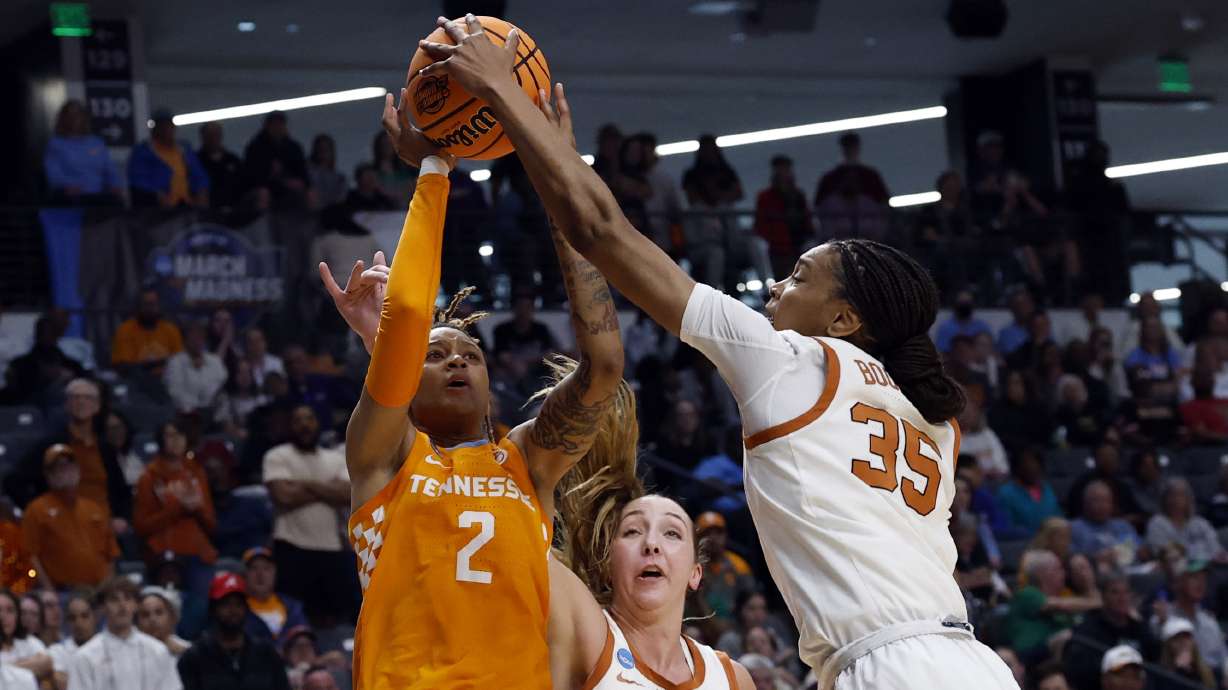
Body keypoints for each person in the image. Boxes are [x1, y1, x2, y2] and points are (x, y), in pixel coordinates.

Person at [416, 20, 1018, 687]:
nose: (777, 287)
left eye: (798, 277)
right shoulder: (939, 425)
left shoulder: (790, 360)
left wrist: (507, 97)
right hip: (972, 661)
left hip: (887, 667)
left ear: (844, 319)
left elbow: (602, 232)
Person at [316, 83, 627, 688]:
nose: (458, 361)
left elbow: (605, 365)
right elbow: (407, 315)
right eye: (437, 356)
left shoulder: (528, 463)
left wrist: (560, 172)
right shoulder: (382, 461)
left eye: (472, 354)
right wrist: (435, 165)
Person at [261, 404, 352, 624]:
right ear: (290, 426)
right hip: (292, 547)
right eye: (298, 420)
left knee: (334, 619)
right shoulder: (277, 456)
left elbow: (349, 494)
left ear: (318, 423)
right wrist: (327, 489)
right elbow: (284, 496)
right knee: (294, 620)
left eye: (309, 419)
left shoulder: (335, 459)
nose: (304, 425)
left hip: (331, 549)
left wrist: (304, 484)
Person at [22, 444, 119, 589]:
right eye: (58, 467)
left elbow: (111, 553)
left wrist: (107, 589)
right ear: (48, 474)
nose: (65, 471)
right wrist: (49, 590)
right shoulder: (36, 510)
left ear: (78, 469)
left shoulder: (94, 508)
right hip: (63, 592)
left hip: (98, 591)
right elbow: (30, 556)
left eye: (69, 465)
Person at [177, 572, 291, 690]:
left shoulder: (266, 654)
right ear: (213, 608)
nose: (233, 611)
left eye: (238, 604)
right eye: (226, 604)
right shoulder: (194, 657)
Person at [69, 575, 182, 690]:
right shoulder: (85, 656)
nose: (122, 605)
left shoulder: (158, 650)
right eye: (114, 600)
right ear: (102, 607)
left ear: (136, 605)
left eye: (128, 598)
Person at [1062, 573, 1158, 690]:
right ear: (1103, 596)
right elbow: (1082, 672)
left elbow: (1155, 664)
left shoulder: (1139, 628)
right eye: (1115, 592)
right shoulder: (1088, 629)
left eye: (1126, 592)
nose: (1122, 598)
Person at [1005, 550, 1097, 663]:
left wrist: (1089, 586)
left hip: (1058, 651)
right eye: (1058, 569)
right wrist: (1098, 604)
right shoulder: (1028, 593)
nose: (1064, 574)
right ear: (1041, 574)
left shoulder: (1065, 596)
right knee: (1068, 637)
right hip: (1030, 654)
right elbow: (1058, 606)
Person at [1150, 560, 1228, 672]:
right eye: (1194, 577)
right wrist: (1163, 623)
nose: (1201, 583)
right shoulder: (1163, 617)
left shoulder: (1209, 620)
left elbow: (1224, 657)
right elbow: (1158, 655)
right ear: (1177, 583)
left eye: (1203, 579)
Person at [43, 99, 124, 205]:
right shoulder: (56, 144)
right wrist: (68, 186)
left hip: (99, 194)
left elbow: (109, 169)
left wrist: (115, 185)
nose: (74, 119)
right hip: (72, 195)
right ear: (63, 119)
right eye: (70, 115)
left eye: (78, 115)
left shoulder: (96, 142)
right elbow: (53, 174)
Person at [128, 110, 209, 208]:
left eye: (168, 125)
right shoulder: (143, 151)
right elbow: (138, 180)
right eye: (162, 126)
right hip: (159, 209)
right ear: (155, 129)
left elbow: (199, 175)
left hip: (187, 205)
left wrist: (201, 191)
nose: (166, 129)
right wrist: (157, 195)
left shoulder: (184, 149)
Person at [754, 155, 814, 280]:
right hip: (777, 247)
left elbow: (806, 220)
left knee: (799, 280)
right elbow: (760, 224)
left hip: (797, 245)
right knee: (782, 281)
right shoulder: (765, 197)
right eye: (780, 169)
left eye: (785, 169)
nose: (783, 173)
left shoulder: (798, 196)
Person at [1145, 478, 1224, 564]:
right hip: (1175, 570)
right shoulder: (1157, 523)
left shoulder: (1200, 523)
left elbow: (1216, 549)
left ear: (1189, 500)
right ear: (1164, 499)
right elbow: (1162, 553)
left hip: (1208, 566)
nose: (1176, 500)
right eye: (1171, 495)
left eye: (1181, 495)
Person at [242, 111, 309, 209]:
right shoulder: (256, 148)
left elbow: (302, 170)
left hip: (287, 186)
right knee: (263, 194)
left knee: (310, 193)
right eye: (275, 125)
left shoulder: (293, 148)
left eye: (280, 124)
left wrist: (304, 184)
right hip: (263, 187)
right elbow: (253, 177)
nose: (278, 128)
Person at [241, 547, 306, 644]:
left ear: (274, 572)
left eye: (266, 568)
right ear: (244, 574)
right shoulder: (238, 610)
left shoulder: (293, 607)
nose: (260, 574)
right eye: (254, 568)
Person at [165, 319, 229, 416]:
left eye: (200, 335)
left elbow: (223, 386)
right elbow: (176, 396)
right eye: (193, 336)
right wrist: (201, 409)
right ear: (185, 339)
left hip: (216, 415)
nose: (197, 340)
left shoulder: (215, 361)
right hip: (187, 417)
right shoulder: (175, 363)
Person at [111, 288, 184, 370]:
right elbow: (124, 366)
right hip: (137, 380)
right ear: (138, 307)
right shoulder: (125, 330)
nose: (150, 308)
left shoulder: (171, 329)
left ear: (159, 306)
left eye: (153, 304)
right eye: (146, 304)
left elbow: (180, 361)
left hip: (168, 379)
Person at [996, 448, 1062, 538]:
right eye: (1027, 463)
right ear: (1017, 467)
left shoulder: (1047, 489)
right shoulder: (1006, 494)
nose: (1033, 466)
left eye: (1036, 463)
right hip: (1024, 544)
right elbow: (1008, 528)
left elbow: (1059, 517)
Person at [0, 590, 53, 685]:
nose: (3, 616)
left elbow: (46, 664)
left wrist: (4, 668)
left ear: (18, 615)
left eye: (10, 610)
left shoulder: (29, 642)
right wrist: (28, 664)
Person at [1153, 618, 1214, 690]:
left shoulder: (1206, 670)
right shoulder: (1159, 673)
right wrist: (1180, 671)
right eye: (1176, 638)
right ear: (1168, 645)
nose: (1182, 642)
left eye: (1186, 637)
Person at [48, 593, 96, 680]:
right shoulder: (57, 651)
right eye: (72, 618)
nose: (78, 623)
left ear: (95, 617)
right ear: (67, 622)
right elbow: (61, 683)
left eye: (84, 616)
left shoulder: (107, 648)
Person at [197, 122, 243, 209]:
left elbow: (243, 183)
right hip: (208, 211)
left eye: (216, 135)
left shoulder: (233, 159)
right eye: (209, 135)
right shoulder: (195, 161)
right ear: (203, 137)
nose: (213, 139)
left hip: (234, 209)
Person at [137, 587, 189, 657]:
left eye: (159, 612)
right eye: (145, 615)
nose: (153, 619)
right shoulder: (130, 652)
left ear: (171, 617)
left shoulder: (189, 650)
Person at [306, 134, 347, 208]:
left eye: (326, 149)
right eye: (320, 148)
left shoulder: (339, 178)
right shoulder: (306, 172)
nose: (323, 152)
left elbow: (340, 201)